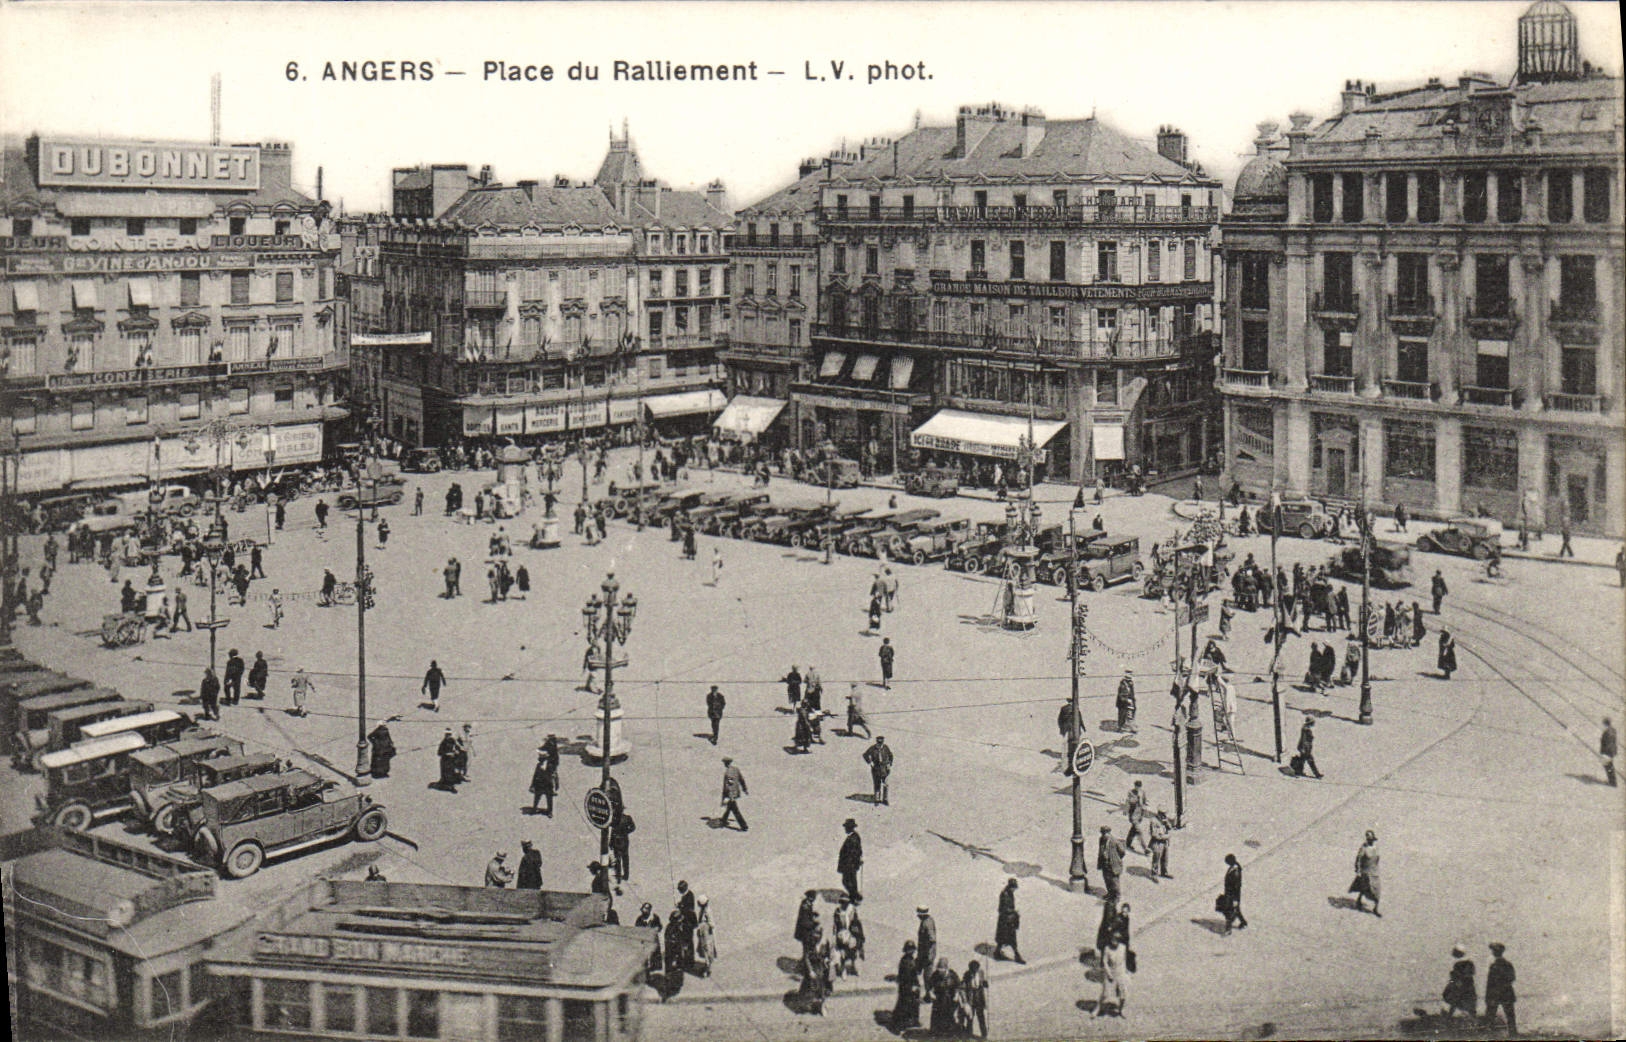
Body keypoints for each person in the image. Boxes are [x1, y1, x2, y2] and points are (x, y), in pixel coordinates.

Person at [1485, 942, 1517, 1036]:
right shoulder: (1508, 964)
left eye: (1494, 951)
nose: (1493, 952)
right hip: (1507, 993)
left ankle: (1490, 1034)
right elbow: (1512, 978)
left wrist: (1488, 996)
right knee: (1510, 1015)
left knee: (1490, 1015)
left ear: (1495, 952)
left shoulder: (1493, 966)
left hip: (1495, 994)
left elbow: (1490, 983)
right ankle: (1513, 1034)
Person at [892, 941, 922, 1030]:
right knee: (905, 1004)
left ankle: (911, 1020)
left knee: (911, 1003)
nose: (911, 951)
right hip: (907, 985)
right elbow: (907, 975)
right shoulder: (906, 961)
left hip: (909, 985)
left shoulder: (909, 959)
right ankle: (902, 1022)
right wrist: (912, 986)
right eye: (909, 949)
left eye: (912, 949)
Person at [1351, 830, 1381, 916]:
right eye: (1369, 838)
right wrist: (1358, 870)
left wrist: (1376, 868)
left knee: (1377, 890)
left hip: (1374, 872)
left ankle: (1375, 908)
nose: (1371, 840)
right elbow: (1358, 859)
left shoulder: (1376, 848)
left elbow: (1377, 859)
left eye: (1372, 838)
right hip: (1366, 872)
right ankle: (1359, 900)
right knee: (1366, 887)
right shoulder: (1363, 848)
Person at [1443, 945, 1478, 1019]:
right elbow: (1471, 973)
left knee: (1454, 1001)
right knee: (1470, 1003)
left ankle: (1449, 1017)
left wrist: (1452, 983)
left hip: (1461, 985)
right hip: (1468, 985)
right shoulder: (1469, 962)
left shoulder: (1458, 964)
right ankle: (1473, 1018)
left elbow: (1455, 977)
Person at [833, 896, 864, 978]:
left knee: (854, 950)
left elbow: (856, 922)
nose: (844, 904)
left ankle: (854, 966)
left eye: (846, 902)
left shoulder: (852, 909)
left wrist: (854, 933)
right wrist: (838, 934)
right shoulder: (838, 911)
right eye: (842, 902)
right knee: (843, 951)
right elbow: (836, 924)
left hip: (852, 933)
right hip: (841, 933)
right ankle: (843, 969)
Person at [995, 878, 1024, 963]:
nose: (1014, 890)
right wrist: (1013, 912)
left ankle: (997, 953)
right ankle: (1017, 956)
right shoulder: (1005, 894)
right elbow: (1002, 908)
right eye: (1014, 888)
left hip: (1007, 919)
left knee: (1003, 938)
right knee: (1011, 938)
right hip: (1006, 921)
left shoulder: (1009, 893)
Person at [928, 958, 960, 1034]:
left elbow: (958, 985)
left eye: (942, 970)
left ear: (946, 968)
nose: (940, 972)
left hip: (950, 998)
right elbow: (930, 986)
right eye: (939, 970)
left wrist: (956, 994)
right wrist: (931, 993)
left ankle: (949, 1031)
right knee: (937, 1015)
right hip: (938, 998)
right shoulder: (935, 974)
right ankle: (936, 1032)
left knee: (949, 1015)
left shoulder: (952, 974)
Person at [1220, 853, 1247, 933]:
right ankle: (1243, 922)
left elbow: (1236, 886)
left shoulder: (1235, 871)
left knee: (1229, 911)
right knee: (1236, 909)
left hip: (1232, 895)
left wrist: (1235, 899)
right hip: (1230, 893)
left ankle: (1228, 929)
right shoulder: (1233, 868)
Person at [1098, 826, 1126, 905]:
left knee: (1114, 882)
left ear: (1109, 833)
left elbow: (1122, 852)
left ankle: (1117, 897)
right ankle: (1110, 894)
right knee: (1107, 880)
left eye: (1105, 834)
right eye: (1103, 834)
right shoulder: (1101, 839)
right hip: (1105, 863)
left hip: (1113, 865)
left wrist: (1116, 859)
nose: (1104, 835)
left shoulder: (1115, 841)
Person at [530, 739, 559, 814]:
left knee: (549, 798)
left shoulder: (551, 765)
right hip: (539, 783)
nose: (540, 759)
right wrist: (532, 785)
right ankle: (534, 808)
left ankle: (550, 811)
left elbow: (555, 775)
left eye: (541, 758)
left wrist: (556, 785)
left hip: (548, 783)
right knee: (537, 796)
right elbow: (535, 775)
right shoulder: (539, 765)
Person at [838, 818, 863, 902]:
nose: (845, 829)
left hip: (849, 864)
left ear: (850, 828)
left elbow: (855, 852)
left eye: (846, 827)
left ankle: (854, 897)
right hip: (850, 864)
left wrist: (854, 861)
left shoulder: (853, 838)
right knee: (851, 880)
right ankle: (855, 896)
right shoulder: (853, 836)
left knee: (847, 881)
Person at [719, 756, 748, 830]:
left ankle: (744, 826)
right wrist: (744, 789)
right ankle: (724, 820)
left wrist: (730, 796)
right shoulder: (736, 769)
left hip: (730, 794)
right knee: (729, 807)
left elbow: (730, 785)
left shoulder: (728, 772)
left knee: (735, 810)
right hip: (735, 793)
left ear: (725, 763)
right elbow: (741, 780)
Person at [863, 736, 893, 805]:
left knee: (886, 784)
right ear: (876, 743)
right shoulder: (872, 748)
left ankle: (885, 799)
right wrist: (870, 762)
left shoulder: (885, 748)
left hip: (885, 768)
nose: (880, 746)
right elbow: (865, 755)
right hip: (876, 768)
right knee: (877, 783)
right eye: (878, 745)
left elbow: (891, 755)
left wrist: (889, 763)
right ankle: (877, 799)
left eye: (881, 744)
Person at [610, 807, 635, 884]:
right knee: (624, 858)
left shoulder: (615, 819)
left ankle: (619, 877)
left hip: (617, 840)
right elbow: (633, 827)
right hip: (623, 840)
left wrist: (611, 842)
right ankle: (625, 876)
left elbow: (613, 831)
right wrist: (626, 832)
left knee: (618, 859)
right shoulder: (627, 818)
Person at [692, 897, 716, 978]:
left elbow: (712, 924)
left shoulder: (707, 912)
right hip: (703, 933)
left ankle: (708, 969)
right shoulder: (702, 910)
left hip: (707, 934)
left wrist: (704, 924)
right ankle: (706, 965)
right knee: (704, 949)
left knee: (708, 950)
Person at [1124, 780, 1149, 854]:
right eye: (1136, 786)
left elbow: (1145, 802)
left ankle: (1128, 843)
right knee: (1139, 831)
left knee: (1133, 830)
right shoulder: (1130, 792)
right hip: (1133, 815)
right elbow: (1130, 801)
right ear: (1134, 786)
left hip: (1140, 814)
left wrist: (1144, 811)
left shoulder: (1143, 792)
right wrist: (1137, 798)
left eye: (1139, 787)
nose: (1138, 788)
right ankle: (1145, 848)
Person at [915, 907, 937, 987]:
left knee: (927, 975)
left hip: (927, 955)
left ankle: (929, 992)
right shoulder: (926, 921)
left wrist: (928, 955)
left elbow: (932, 939)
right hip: (924, 954)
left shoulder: (927, 923)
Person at [1148, 809, 1173, 879]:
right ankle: (1154, 874)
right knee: (1156, 858)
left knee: (1165, 858)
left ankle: (1164, 872)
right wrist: (1166, 836)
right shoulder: (1154, 821)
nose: (1165, 816)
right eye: (1163, 814)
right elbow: (1154, 835)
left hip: (1165, 842)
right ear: (1159, 814)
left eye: (1165, 814)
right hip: (1157, 843)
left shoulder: (1164, 820)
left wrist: (1167, 823)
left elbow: (1170, 828)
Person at [1602, 717, 1619, 786]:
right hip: (1612, 750)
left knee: (1608, 765)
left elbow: (1607, 743)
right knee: (1609, 765)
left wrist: (1605, 753)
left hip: (1608, 751)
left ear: (1605, 724)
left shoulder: (1607, 732)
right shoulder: (1613, 730)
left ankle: (1612, 782)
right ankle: (1612, 781)